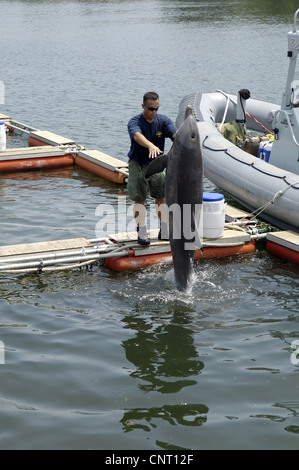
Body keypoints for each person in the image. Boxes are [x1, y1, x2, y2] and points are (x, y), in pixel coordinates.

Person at [127, 92, 177, 245]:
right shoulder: (135, 121)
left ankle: (164, 229)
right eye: (150, 109)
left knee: (161, 197)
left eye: (156, 108)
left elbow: (176, 135)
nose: (154, 112)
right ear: (143, 106)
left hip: (156, 165)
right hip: (138, 164)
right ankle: (141, 230)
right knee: (140, 199)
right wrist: (149, 144)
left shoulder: (163, 121)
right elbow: (136, 136)